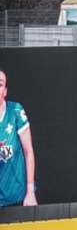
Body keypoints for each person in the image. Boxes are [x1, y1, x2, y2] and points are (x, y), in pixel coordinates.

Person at [0, 69, 37, 206]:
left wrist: (30, 191)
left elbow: (28, 152)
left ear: (5, 91)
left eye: (0, 84)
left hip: (17, 196)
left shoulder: (15, 111)